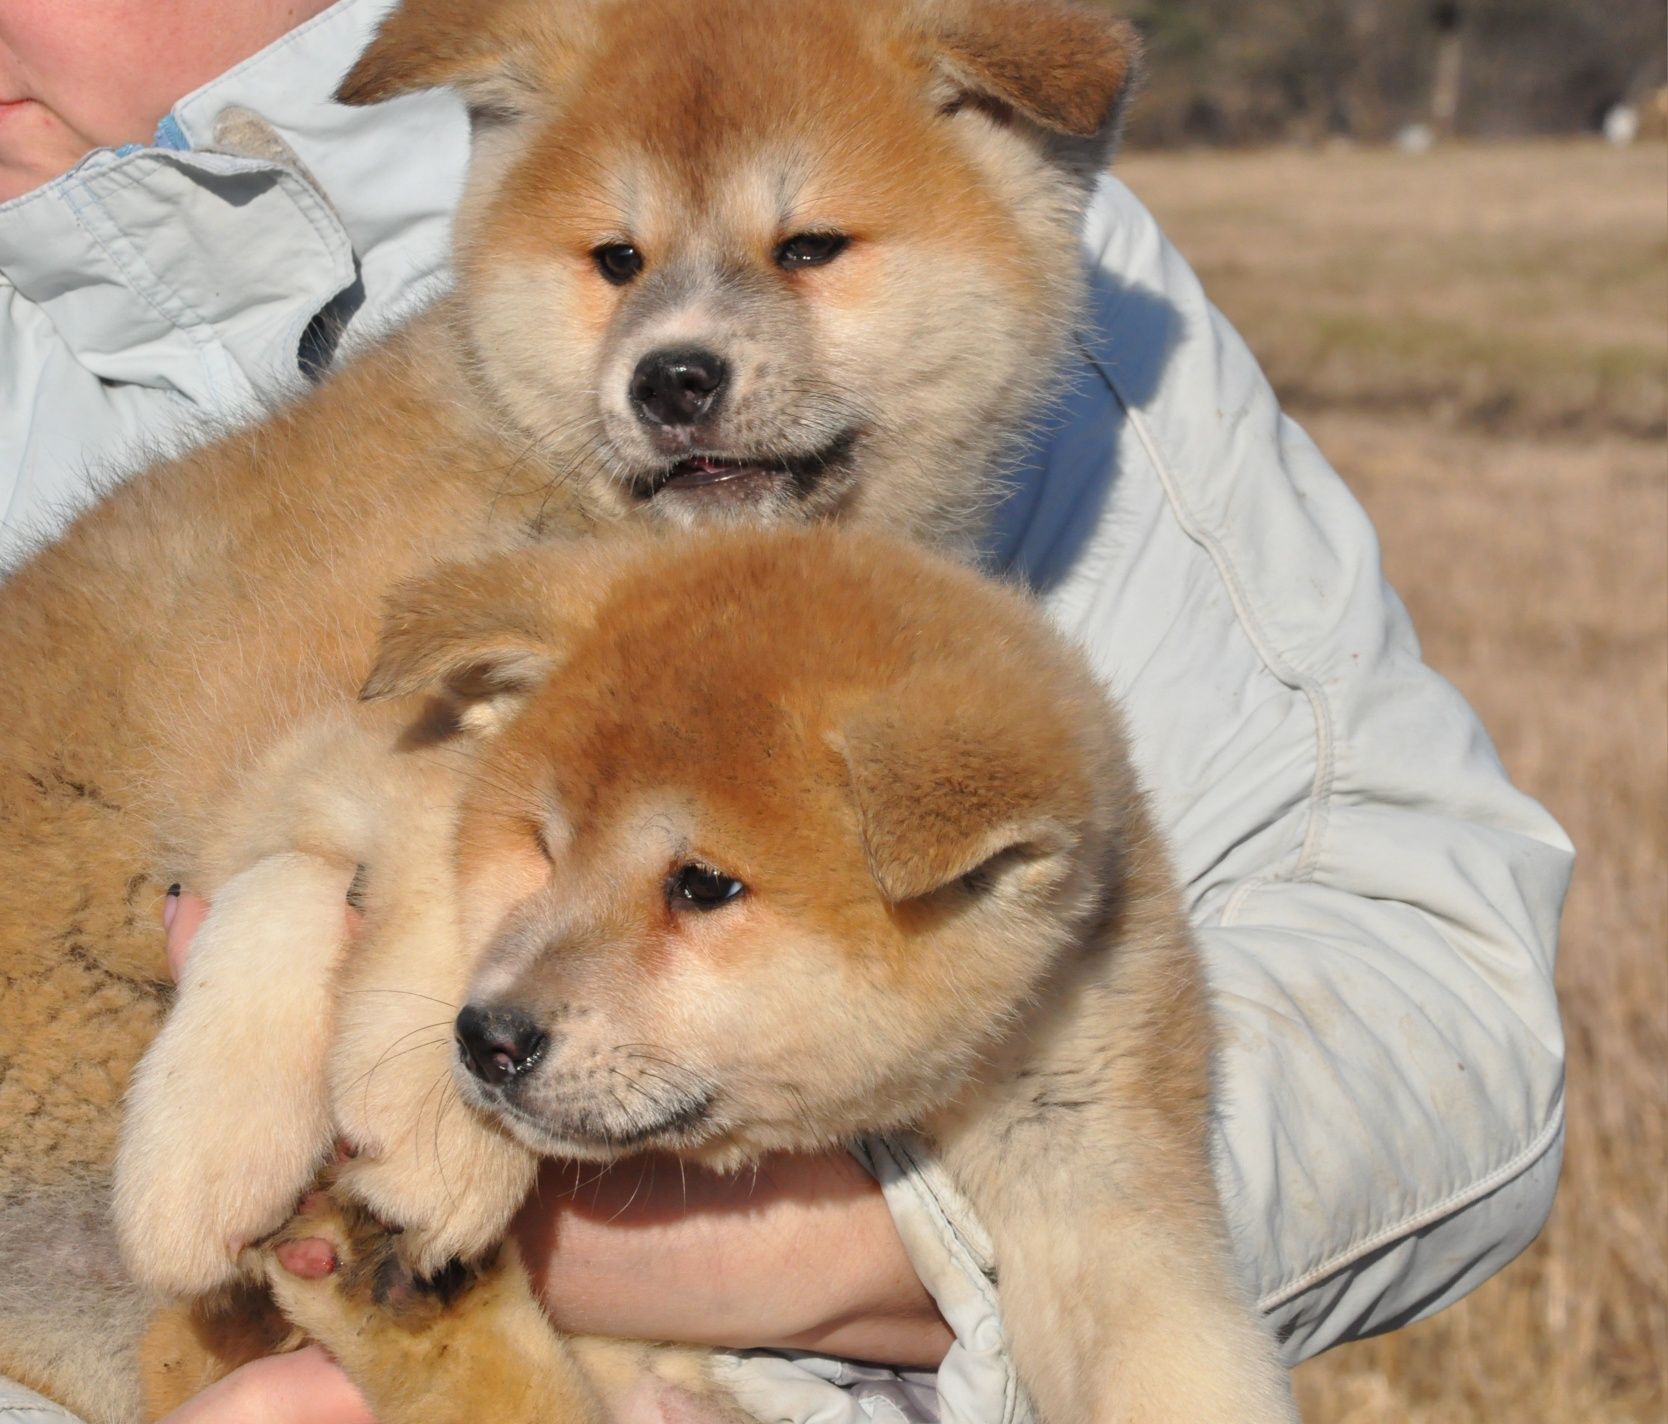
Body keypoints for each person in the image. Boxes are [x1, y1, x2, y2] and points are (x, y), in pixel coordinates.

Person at [0, 1, 1571, 1421]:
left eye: (807, 252)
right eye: (613, 269)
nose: (674, 351)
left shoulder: (996, 280)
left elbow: (1435, 1000)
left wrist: (797, 1248)